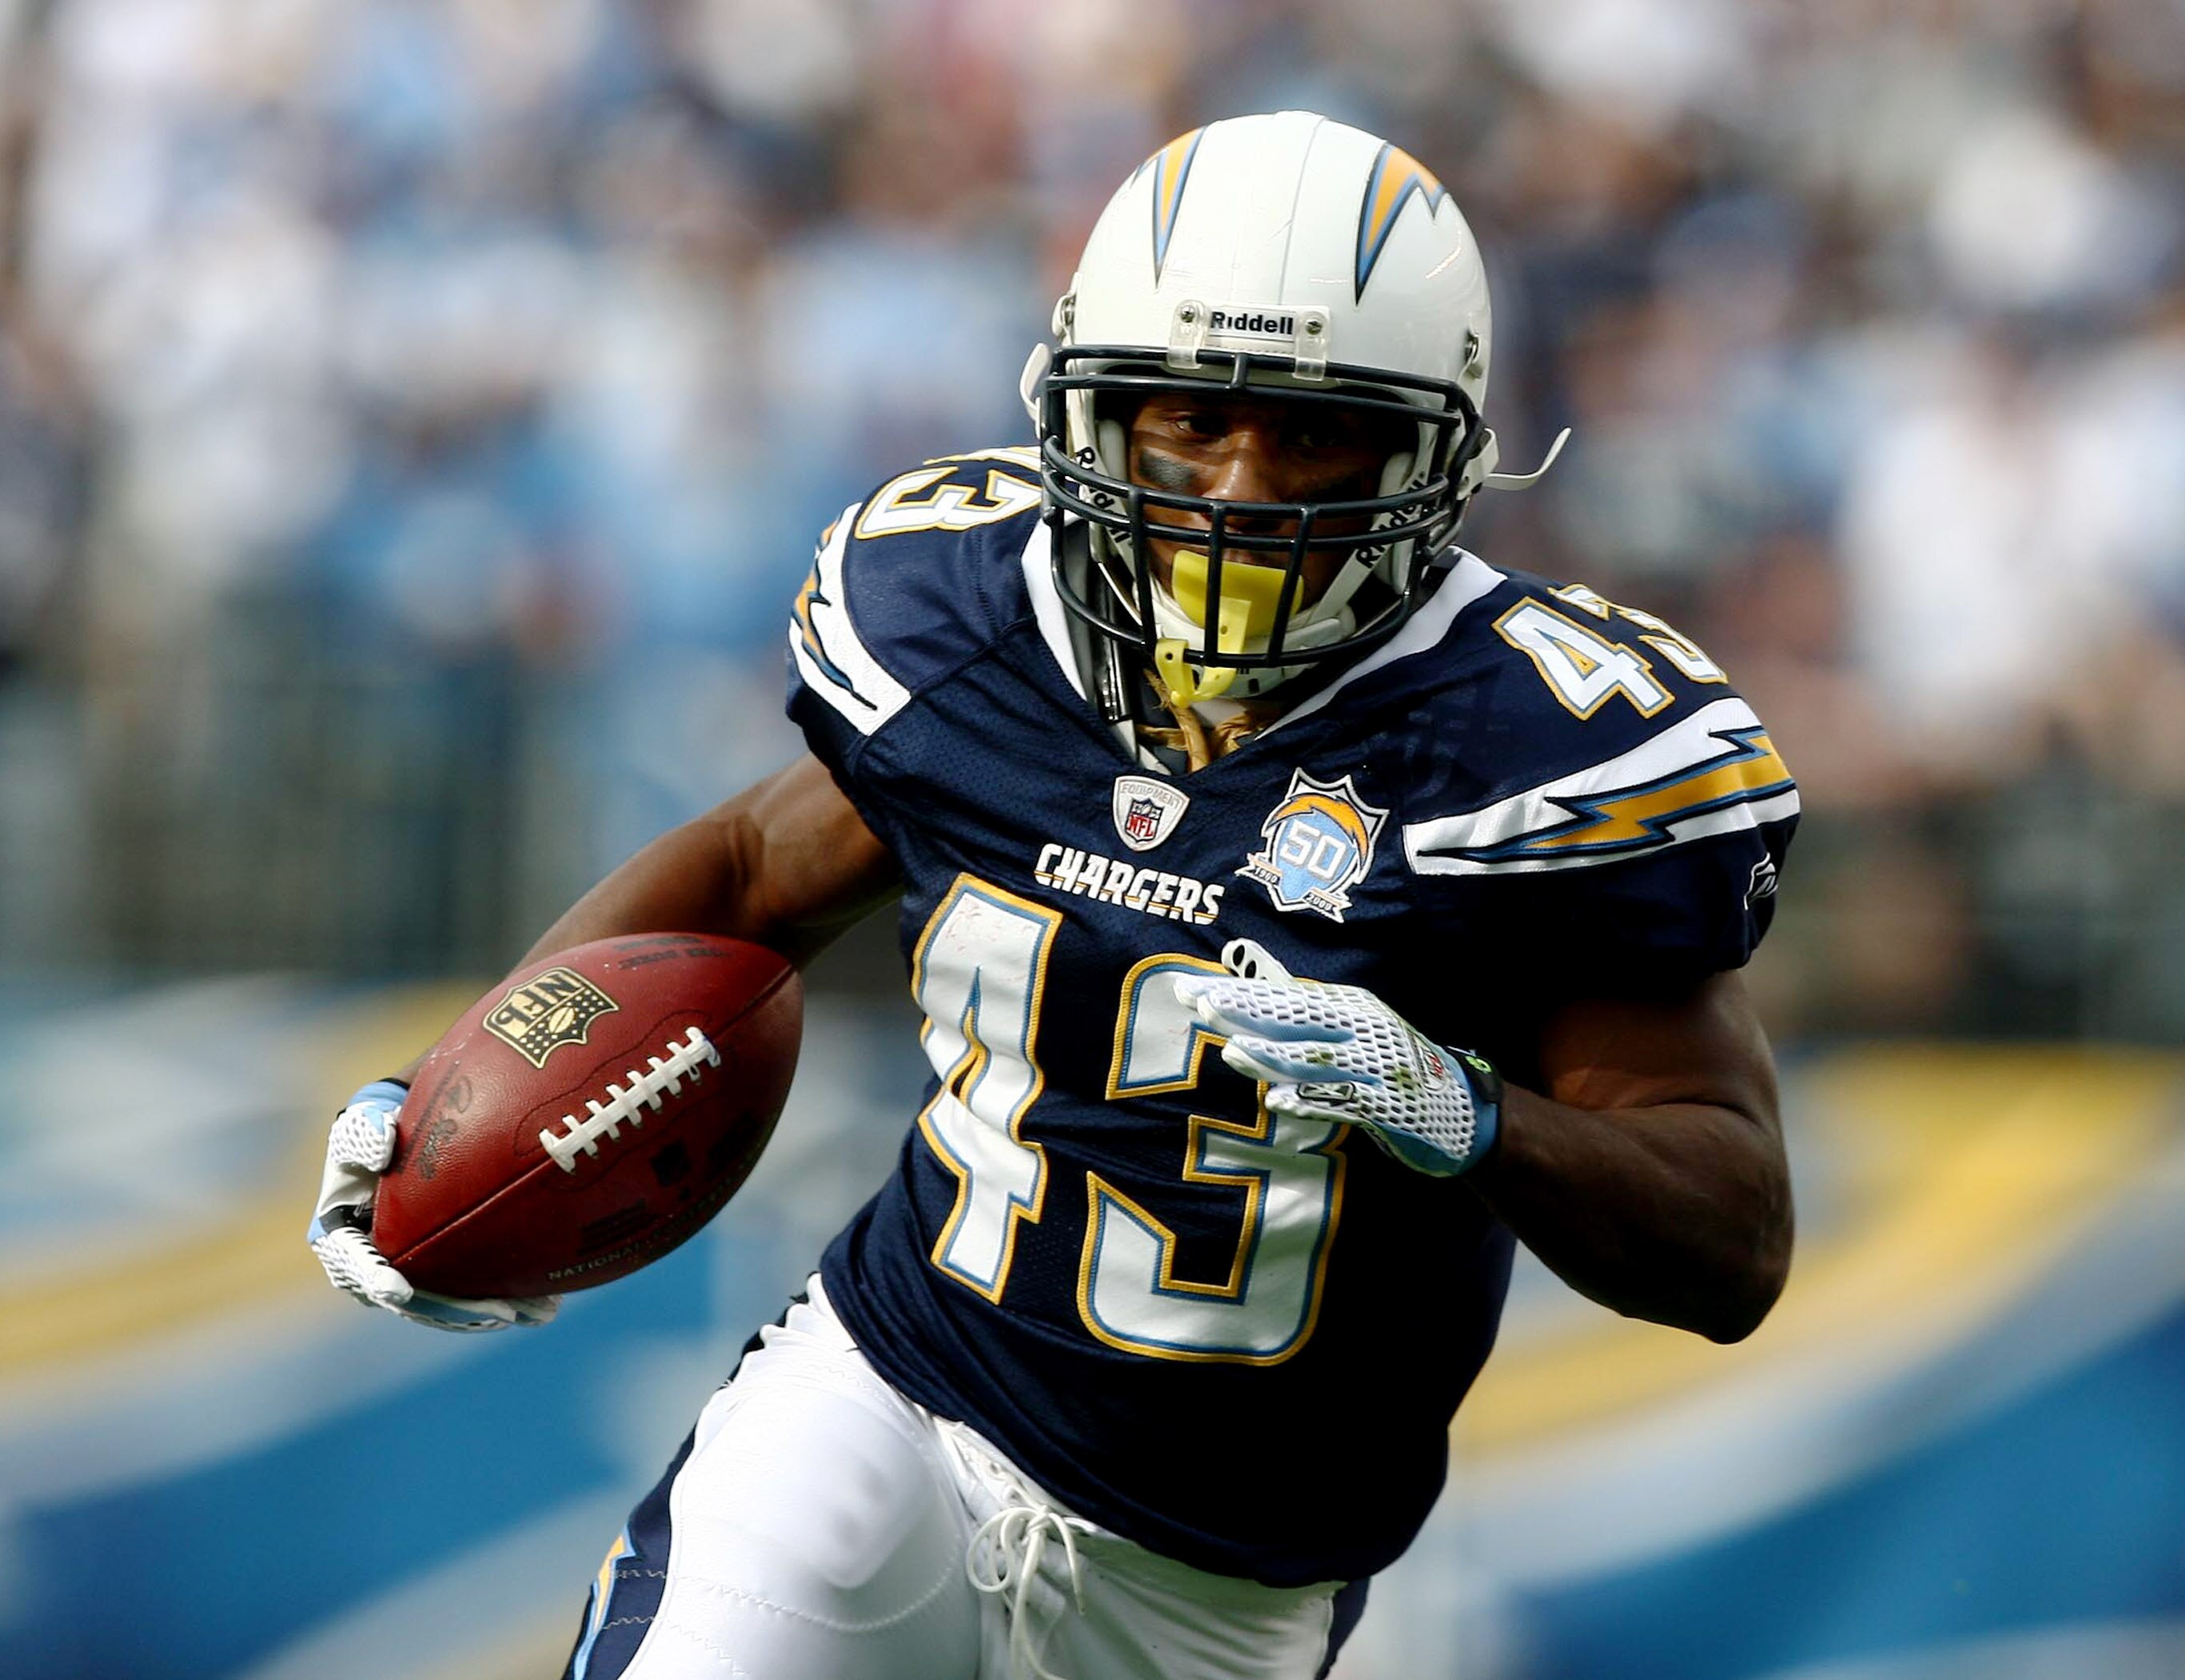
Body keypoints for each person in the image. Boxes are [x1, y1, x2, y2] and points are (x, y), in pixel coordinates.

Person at [309, 110, 1799, 1680]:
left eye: (1316, 434)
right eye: (1186, 419)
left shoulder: (1533, 748)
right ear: (1086, 414)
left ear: (1438, 454)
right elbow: (751, 867)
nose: (1238, 488)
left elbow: (1730, 1237)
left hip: (1216, 1584)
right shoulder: (976, 618)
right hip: (894, 1397)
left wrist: (1463, 1112)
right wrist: (467, 1090)